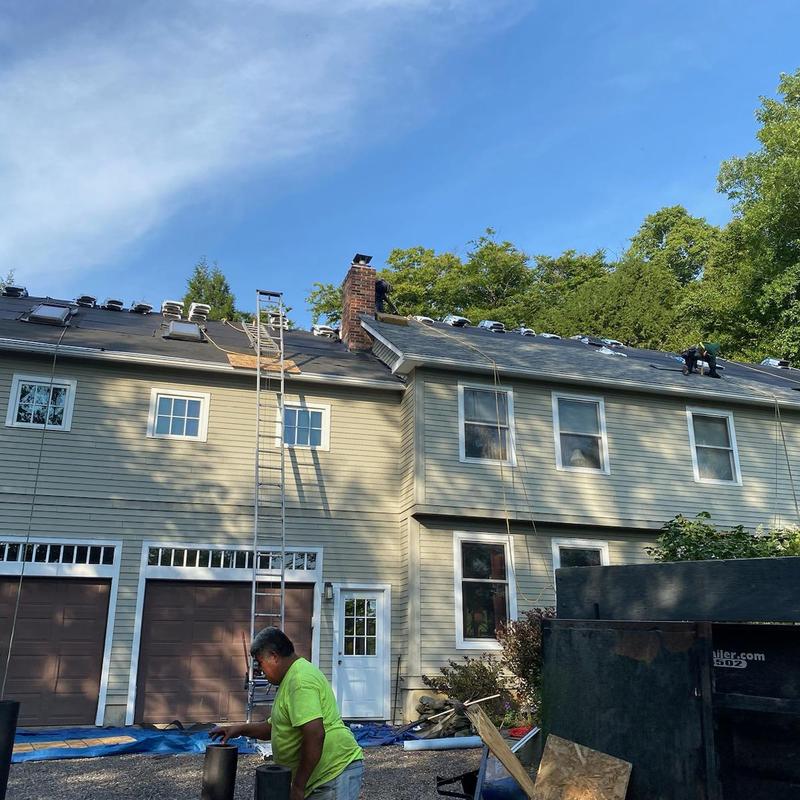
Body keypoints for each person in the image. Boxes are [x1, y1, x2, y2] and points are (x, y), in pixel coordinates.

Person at [210, 627, 363, 800]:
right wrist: (237, 730)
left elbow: (315, 734)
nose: (260, 670)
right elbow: (274, 728)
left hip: (332, 773)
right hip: (321, 778)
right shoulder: (290, 678)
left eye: (261, 663)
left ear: (274, 656)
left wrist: (298, 786)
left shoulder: (299, 681)